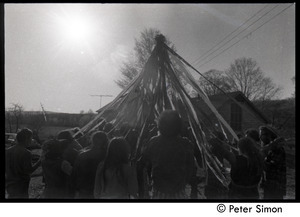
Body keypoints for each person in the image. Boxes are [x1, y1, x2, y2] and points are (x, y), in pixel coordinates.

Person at [137, 110, 195, 199]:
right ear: (178, 125)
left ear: (160, 125)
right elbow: (191, 168)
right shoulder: (185, 144)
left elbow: (142, 163)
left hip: (159, 190)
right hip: (179, 190)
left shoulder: (154, 142)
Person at [5, 128, 41, 198]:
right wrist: (40, 161)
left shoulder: (8, 151)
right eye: (31, 137)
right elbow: (29, 170)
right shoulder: (26, 153)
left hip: (10, 185)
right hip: (21, 186)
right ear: (26, 139)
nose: (31, 140)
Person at [72, 131, 109, 198]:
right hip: (101, 191)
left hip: (84, 189)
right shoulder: (108, 157)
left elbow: (75, 173)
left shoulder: (82, 155)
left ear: (92, 140)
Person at [259, 126, 286, 199]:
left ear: (269, 135)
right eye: (260, 135)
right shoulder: (269, 148)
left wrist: (259, 160)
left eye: (263, 134)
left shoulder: (277, 149)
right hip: (269, 184)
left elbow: (269, 167)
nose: (261, 137)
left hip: (276, 185)